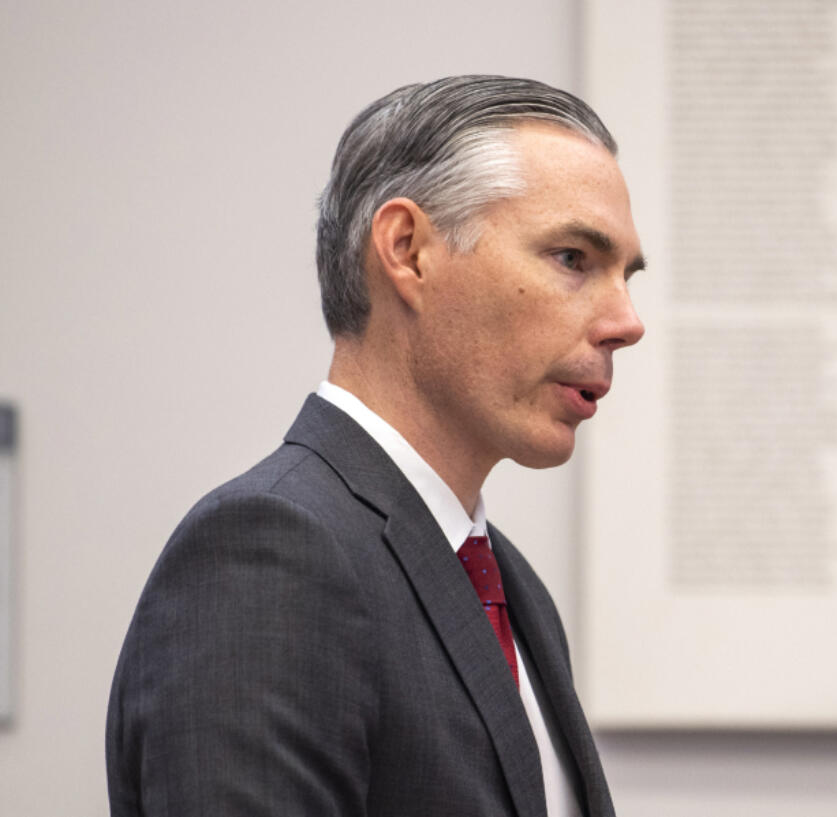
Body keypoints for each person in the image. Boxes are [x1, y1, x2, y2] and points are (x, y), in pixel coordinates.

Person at [105, 75, 645, 817]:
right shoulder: (268, 552)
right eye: (574, 258)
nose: (626, 320)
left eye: (627, 275)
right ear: (408, 250)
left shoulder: (510, 584)